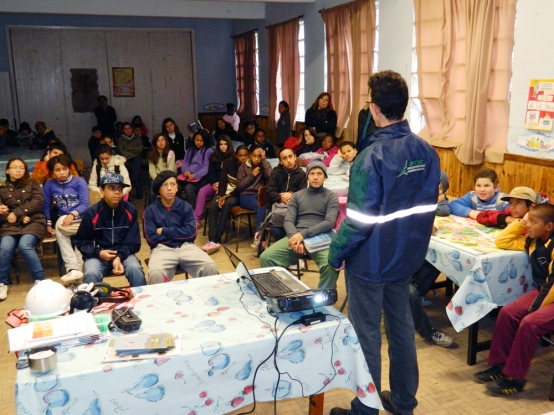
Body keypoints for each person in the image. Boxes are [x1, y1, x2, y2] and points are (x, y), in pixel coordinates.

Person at [329, 70, 440, 415]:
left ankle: (366, 410)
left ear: (375, 109)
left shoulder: (370, 157)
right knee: (402, 330)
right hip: (406, 259)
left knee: (367, 338)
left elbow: (360, 223)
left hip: (371, 263)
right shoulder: (426, 151)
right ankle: (404, 403)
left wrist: (336, 253)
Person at [473, 203, 554, 395]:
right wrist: (522, 222)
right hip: (544, 291)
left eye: (533, 222)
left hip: (551, 292)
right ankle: (499, 365)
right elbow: (503, 240)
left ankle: (515, 378)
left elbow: (552, 286)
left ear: (549, 226)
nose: (528, 225)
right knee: (508, 312)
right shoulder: (533, 241)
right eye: (528, 220)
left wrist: (534, 309)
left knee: (530, 323)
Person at [260, 161, 339, 289]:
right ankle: (277, 292)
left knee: (330, 265)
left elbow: (329, 223)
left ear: (325, 177)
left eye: (319, 174)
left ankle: (323, 300)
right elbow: (288, 221)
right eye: (312, 173)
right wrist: (295, 238)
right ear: (307, 176)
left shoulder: (331, 197)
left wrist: (302, 235)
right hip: (296, 237)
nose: (315, 177)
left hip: (321, 237)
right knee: (267, 257)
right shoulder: (297, 196)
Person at [144, 170, 218, 284]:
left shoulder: (185, 206)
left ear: (177, 188)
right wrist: (180, 234)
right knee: (155, 273)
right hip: (162, 249)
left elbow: (192, 233)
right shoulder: (150, 211)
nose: (169, 188)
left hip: (186, 247)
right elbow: (151, 239)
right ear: (158, 189)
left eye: (173, 184)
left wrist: (164, 230)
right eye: (165, 185)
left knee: (210, 266)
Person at [74, 173, 145, 287]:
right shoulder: (92, 212)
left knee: (135, 269)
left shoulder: (130, 210)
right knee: (91, 274)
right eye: (111, 188)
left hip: (123, 254)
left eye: (120, 189)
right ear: (102, 191)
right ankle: (93, 303)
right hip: (97, 255)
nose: (117, 192)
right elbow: (81, 242)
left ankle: (141, 302)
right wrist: (98, 252)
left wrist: (119, 256)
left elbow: (134, 243)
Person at [0, 158, 47, 299]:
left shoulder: (32, 183)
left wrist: (17, 213)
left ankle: (39, 280)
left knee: (25, 245)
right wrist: (17, 217)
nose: (18, 170)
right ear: (7, 170)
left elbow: (38, 202)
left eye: (21, 167)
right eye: (14, 167)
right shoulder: (1, 188)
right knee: (4, 247)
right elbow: (1, 213)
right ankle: (2, 283)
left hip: (33, 222)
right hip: (9, 225)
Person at [43, 154, 90, 284]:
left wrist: (72, 214)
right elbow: (46, 206)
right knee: (60, 224)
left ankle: (73, 269)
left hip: (82, 218)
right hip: (64, 223)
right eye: (57, 170)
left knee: (63, 225)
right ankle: (76, 269)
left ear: (69, 168)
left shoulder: (79, 181)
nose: (61, 173)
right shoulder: (49, 184)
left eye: (64, 169)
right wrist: (48, 224)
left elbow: (85, 204)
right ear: (52, 171)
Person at [202, 146, 250, 255]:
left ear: (249, 155)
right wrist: (220, 196)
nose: (243, 158)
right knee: (214, 206)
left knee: (227, 204)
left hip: (239, 194)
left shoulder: (249, 166)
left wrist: (227, 197)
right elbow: (223, 181)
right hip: (225, 192)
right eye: (240, 155)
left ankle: (216, 239)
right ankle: (212, 239)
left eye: (245, 155)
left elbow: (241, 188)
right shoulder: (229, 163)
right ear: (236, 156)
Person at [266, 147, 307, 241]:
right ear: (280, 161)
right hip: (277, 210)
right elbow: (270, 193)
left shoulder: (301, 174)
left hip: (295, 211)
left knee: (300, 229)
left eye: (290, 156)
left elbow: (303, 194)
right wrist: (281, 197)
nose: (288, 160)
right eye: (284, 158)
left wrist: (292, 195)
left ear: (295, 157)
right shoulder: (275, 172)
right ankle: (288, 246)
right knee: (277, 232)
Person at [193, 135, 235, 226]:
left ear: (229, 145)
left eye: (225, 144)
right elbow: (210, 172)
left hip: (226, 185)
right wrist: (214, 183)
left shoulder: (233, 157)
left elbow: (232, 176)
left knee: (218, 195)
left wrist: (221, 184)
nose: (223, 146)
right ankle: (197, 219)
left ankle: (219, 220)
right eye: (221, 144)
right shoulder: (213, 156)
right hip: (214, 183)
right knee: (202, 191)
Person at [237, 145, 272, 249]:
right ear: (250, 155)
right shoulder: (243, 167)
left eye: (259, 156)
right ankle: (260, 236)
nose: (257, 159)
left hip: (259, 195)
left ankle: (259, 239)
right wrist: (252, 175)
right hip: (245, 196)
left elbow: (270, 176)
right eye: (254, 156)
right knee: (263, 208)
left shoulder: (263, 165)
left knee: (263, 205)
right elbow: (240, 186)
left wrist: (264, 160)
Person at [179, 129, 214, 214]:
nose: (198, 143)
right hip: (188, 177)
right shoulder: (190, 150)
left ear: (205, 141)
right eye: (196, 140)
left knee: (188, 188)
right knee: (177, 187)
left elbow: (205, 169)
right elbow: (185, 164)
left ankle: (194, 210)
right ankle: (178, 209)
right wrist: (185, 171)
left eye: (201, 141)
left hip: (202, 178)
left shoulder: (208, 151)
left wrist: (195, 175)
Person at [118, 122, 143, 199]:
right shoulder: (121, 140)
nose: (128, 130)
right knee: (127, 172)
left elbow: (140, 149)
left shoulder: (137, 138)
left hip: (136, 158)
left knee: (138, 171)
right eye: (125, 129)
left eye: (129, 128)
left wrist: (128, 148)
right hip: (126, 160)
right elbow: (122, 152)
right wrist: (133, 151)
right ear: (123, 130)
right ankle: (127, 194)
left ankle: (139, 192)